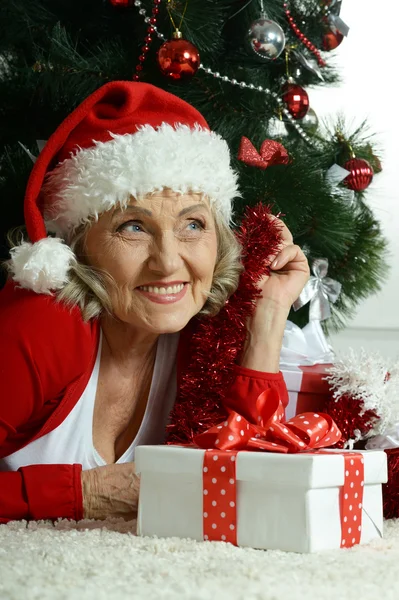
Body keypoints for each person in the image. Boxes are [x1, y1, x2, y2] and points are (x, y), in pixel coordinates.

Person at [0, 81, 309, 524]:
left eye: (193, 225)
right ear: (79, 245)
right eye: (133, 227)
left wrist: (270, 312)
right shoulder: (43, 324)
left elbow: (249, 472)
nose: (168, 263)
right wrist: (83, 493)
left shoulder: (202, 329)